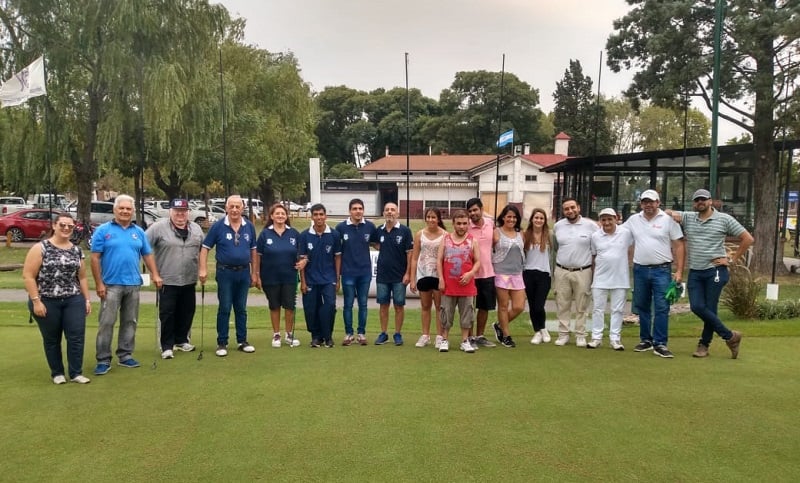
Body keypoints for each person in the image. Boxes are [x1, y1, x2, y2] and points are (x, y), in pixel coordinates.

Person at [672, 189, 753, 359]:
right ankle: (731, 336)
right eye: (697, 200)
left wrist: (731, 260)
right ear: (694, 203)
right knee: (697, 306)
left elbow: (748, 239)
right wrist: (668, 213)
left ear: (710, 201)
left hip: (716, 271)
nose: (700, 202)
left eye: (703, 199)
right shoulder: (688, 217)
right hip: (695, 271)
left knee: (709, 308)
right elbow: (667, 213)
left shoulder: (724, 219)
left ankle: (704, 345)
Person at [91, 195, 162, 375]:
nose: (125, 211)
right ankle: (103, 359)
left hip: (133, 284)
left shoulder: (138, 231)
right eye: (121, 208)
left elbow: (147, 254)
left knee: (130, 321)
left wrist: (155, 274)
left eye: (128, 209)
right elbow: (95, 258)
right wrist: (98, 283)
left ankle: (125, 355)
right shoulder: (103, 230)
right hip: (110, 284)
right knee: (107, 322)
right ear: (115, 210)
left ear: (132, 211)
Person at [23, 214, 93, 384]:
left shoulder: (76, 250)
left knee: (76, 336)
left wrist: (87, 299)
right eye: (62, 225)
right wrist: (36, 301)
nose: (66, 228)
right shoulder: (41, 248)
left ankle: (76, 373)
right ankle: (57, 373)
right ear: (54, 226)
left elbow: (82, 277)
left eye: (70, 226)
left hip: (73, 299)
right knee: (52, 338)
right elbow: (28, 276)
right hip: (46, 299)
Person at [623, 189, 685, 358]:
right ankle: (646, 340)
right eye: (645, 202)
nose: (648, 205)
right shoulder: (633, 220)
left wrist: (679, 271)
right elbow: (619, 233)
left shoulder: (668, 220)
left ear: (658, 203)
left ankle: (660, 343)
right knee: (642, 306)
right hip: (640, 269)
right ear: (641, 203)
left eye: (651, 201)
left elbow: (679, 245)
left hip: (662, 270)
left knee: (661, 307)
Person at [199, 195, 257, 357]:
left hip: (244, 272)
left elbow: (253, 251)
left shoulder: (249, 227)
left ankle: (242, 340)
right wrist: (203, 269)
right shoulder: (218, 226)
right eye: (231, 206)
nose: (234, 209)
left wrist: (255, 273)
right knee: (225, 307)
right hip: (225, 272)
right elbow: (205, 248)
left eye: (237, 206)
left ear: (242, 208)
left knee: (241, 308)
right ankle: (222, 342)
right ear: (226, 208)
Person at [146, 198, 204, 359]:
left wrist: (202, 269)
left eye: (183, 211)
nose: (180, 214)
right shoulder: (158, 227)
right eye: (177, 211)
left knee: (187, 311)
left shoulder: (196, 228)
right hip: (166, 279)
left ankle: (181, 340)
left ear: (188, 213)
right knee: (167, 313)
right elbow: (144, 246)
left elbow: (203, 249)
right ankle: (166, 346)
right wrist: (154, 273)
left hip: (189, 278)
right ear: (170, 212)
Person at [254, 203, 304, 349]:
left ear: (286, 216)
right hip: (270, 276)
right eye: (277, 213)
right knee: (274, 306)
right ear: (272, 216)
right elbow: (258, 256)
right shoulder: (265, 234)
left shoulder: (294, 233)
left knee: (289, 306)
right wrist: (257, 275)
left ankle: (289, 334)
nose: (280, 216)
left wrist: (302, 262)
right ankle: (276, 334)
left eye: (283, 213)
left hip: (289, 277)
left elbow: (302, 255)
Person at [552, 197, 599, 347]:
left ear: (578, 207)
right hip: (562, 270)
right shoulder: (558, 226)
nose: (570, 211)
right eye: (566, 209)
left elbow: (596, 249)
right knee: (562, 303)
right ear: (563, 211)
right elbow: (555, 247)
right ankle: (563, 334)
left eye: (573, 207)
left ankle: (580, 334)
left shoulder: (591, 226)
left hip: (583, 270)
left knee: (582, 305)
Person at [588, 208, 634, 350]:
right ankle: (596, 337)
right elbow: (594, 257)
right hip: (600, 278)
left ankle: (615, 339)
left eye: (610, 219)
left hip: (620, 278)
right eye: (603, 220)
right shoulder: (595, 236)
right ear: (600, 221)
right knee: (597, 309)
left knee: (617, 310)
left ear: (616, 218)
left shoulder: (626, 233)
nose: (607, 222)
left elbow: (632, 248)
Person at [437, 210, 481, 353]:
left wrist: (470, 273)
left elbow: (478, 261)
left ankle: (464, 340)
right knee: (446, 312)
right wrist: (441, 279)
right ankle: (444, 339)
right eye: (459, 224)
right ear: (453, 224)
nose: (462, 226)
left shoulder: (472, 240)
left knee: (467, 313)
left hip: (466, 285)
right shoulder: (446, 239)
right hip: (449, 284)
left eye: (464, 224)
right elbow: (439, 260)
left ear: (468, 224)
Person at [298, 203, 341, 347]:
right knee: (311, 308)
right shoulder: (304, 235)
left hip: (329, 278)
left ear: (325, 216)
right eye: (315, 215)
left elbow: (337, 257)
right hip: (310, 279)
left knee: (329, 306)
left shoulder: (334, 234)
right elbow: (302, 260)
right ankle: (316, 337)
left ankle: (328, 336)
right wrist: (303, 281)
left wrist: (337, 278)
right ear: (311, 217)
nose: (319, 217)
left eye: (321, 214)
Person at [335, 198, 377, 346]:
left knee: (363, 304)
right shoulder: (341, 228)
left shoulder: (370, 227)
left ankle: (361, 333)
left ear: (363, 210)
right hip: (347, 272)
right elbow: (336, 251)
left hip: (364, 272)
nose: (358, 211)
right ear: (349, 211)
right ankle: (348, 334)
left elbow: (377, 244)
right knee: (348, 304)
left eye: (360, 208)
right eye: (355, 209)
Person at [370, 202, 413, 346]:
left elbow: (409, 254)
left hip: (399, 276)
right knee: (383, 305)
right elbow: (376, 244)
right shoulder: (379, 230)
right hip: (382, 276)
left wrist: (408, 274)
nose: (390, 212)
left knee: (399, 306)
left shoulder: (405, 231)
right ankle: (383, 333)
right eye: (387, 210)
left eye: (392, 210)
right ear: (383, 213)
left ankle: (398, 334)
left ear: (398, 213)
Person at [409, 208, 446, 348]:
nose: (431, 220)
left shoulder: (445, 235)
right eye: (428, 217)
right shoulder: (419, 234)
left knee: (439, 307)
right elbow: (414, 258)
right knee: (425, 306)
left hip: (438, 275)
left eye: (434, 217)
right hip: (423, 274)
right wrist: (413, 279)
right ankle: (425, 335)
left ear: (438, 219)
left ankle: (439, 335)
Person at [490, 205, 526, 348]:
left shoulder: (521, 233)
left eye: (514, 217)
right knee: (503, 306)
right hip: (501, 273)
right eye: (509, 216)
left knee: (519, 307)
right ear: (503, 217)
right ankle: (506, 335)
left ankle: (499, 325)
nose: (511, 219)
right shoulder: (496, 232)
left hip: (517, 273)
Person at [466, 198, 497, 348]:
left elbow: (496, 241)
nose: (473, 213)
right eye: (470, 211)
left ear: (481, 209)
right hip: (470, 274)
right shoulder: (466, 227)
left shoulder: (491, 224)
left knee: (484, 307)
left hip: (488, 272)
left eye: (475, 210)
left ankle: (480, 336)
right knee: (469, 307)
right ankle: (469, 337)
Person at [523, 208, 554, 345]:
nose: (538, 220)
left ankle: (543, 329)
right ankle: (537, 331)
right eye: (536, 218)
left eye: (541, 218)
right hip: (528, 273)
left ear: (544, 221)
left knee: (539, 305)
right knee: (531, 304)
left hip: (544, 274)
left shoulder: (550, 235)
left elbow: (555, 252)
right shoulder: (525, 235)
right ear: (532, 219)